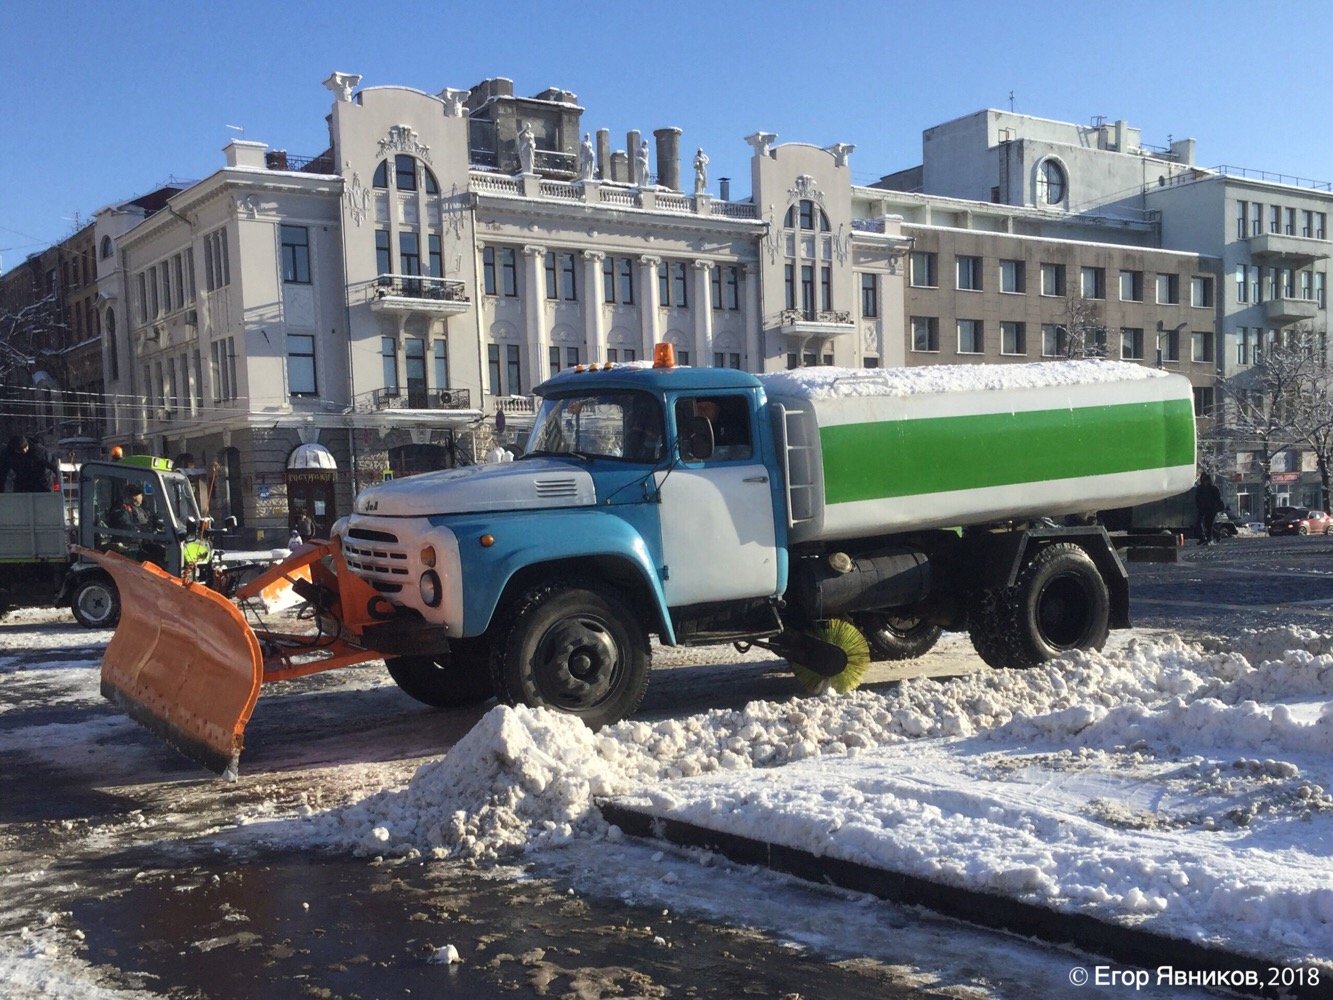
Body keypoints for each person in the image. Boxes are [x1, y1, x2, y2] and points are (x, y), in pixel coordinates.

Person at [1195, 471, 1225, 545]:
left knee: (1209, 524)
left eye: (1206, 480)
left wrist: (1214, 506)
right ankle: (1213, 536)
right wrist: (1199, 506)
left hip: (1212, 509)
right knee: (1203, 524)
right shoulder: (1200, 488)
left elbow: (1217, 499)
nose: (1205, 482)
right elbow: (1198, 498)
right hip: (1203, 509)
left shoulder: (1213, 489)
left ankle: (1209, 539)